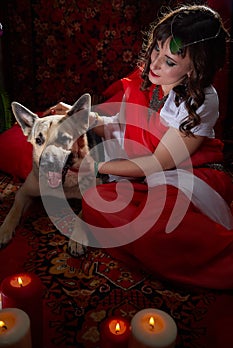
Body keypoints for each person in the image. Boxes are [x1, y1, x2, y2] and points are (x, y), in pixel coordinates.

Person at [47, 4, 233, 289]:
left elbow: (159, 163)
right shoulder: (147, 77)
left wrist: (95, 165)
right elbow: (121, 127)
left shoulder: (202, 100)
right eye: (156, 49)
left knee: (157, 234)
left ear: (196, 67)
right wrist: (77, 116)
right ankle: (148, 248)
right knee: (96, 202)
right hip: (146, 170)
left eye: (170, 61)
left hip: (189, 175)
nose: (155, 64)